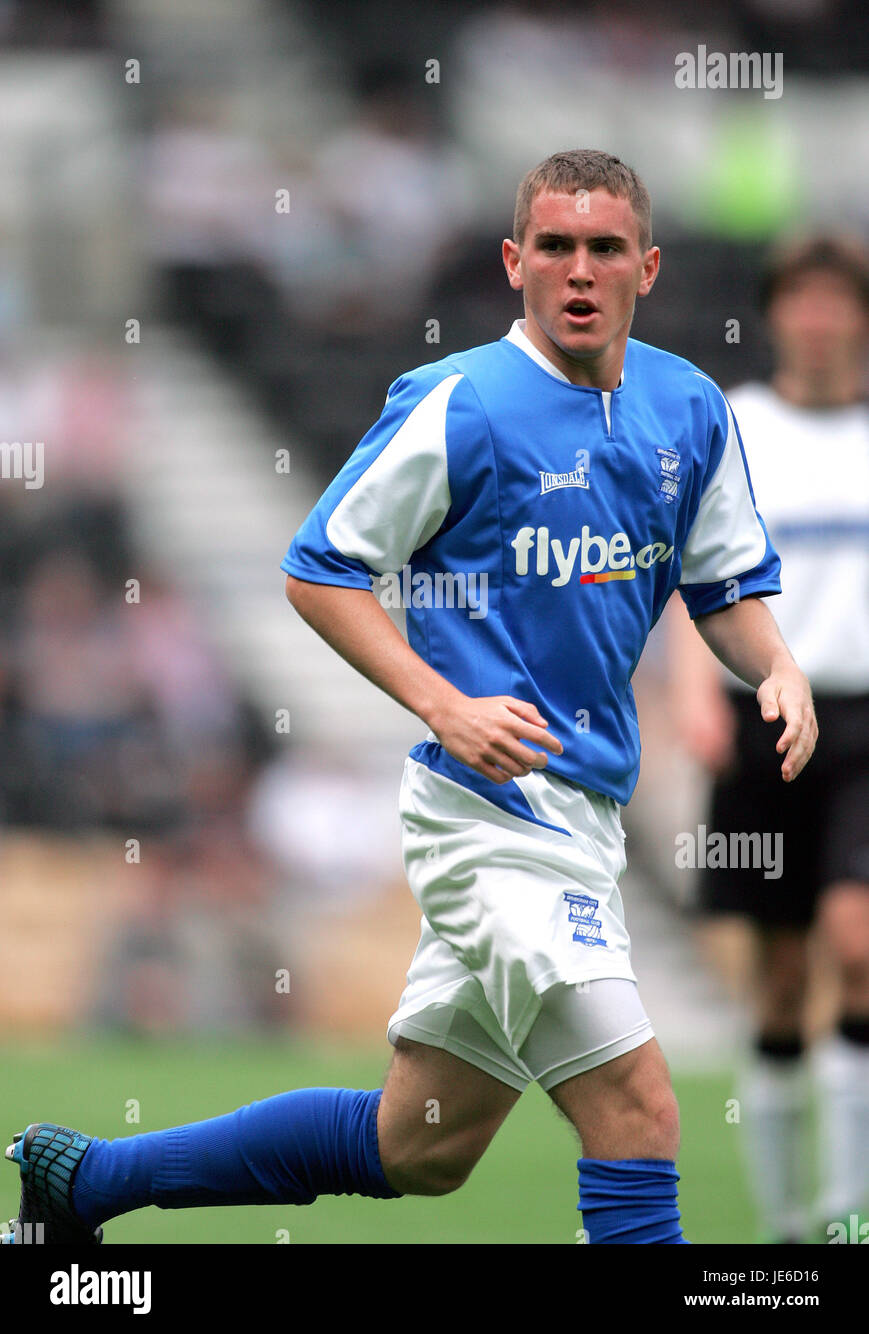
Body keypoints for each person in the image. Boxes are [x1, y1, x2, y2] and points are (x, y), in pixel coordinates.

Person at [5, 150, 817, 1246]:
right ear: (512, 261)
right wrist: (444, 703)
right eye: (555, 246)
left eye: (605, 248)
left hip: (582, 817)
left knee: (416, 1146)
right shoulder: (461, 403)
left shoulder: (686, 407)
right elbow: (319, 567)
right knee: (637, 1110)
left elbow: (721, 585)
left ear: (649, 265)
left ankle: (86, 1179)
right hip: (488, 819)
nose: (579, 270)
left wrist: (773, 663)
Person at [670, 233, 869, 1243]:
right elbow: (686, 564)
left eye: (838, 300)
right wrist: (690, 690)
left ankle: (845, 1211)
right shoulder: (735, 424)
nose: (819, 317)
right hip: (758, 715)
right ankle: (786, 1219)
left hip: (864, 722)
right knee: (781, 975)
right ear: (780, 313)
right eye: (802, 299)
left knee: (856, 940)